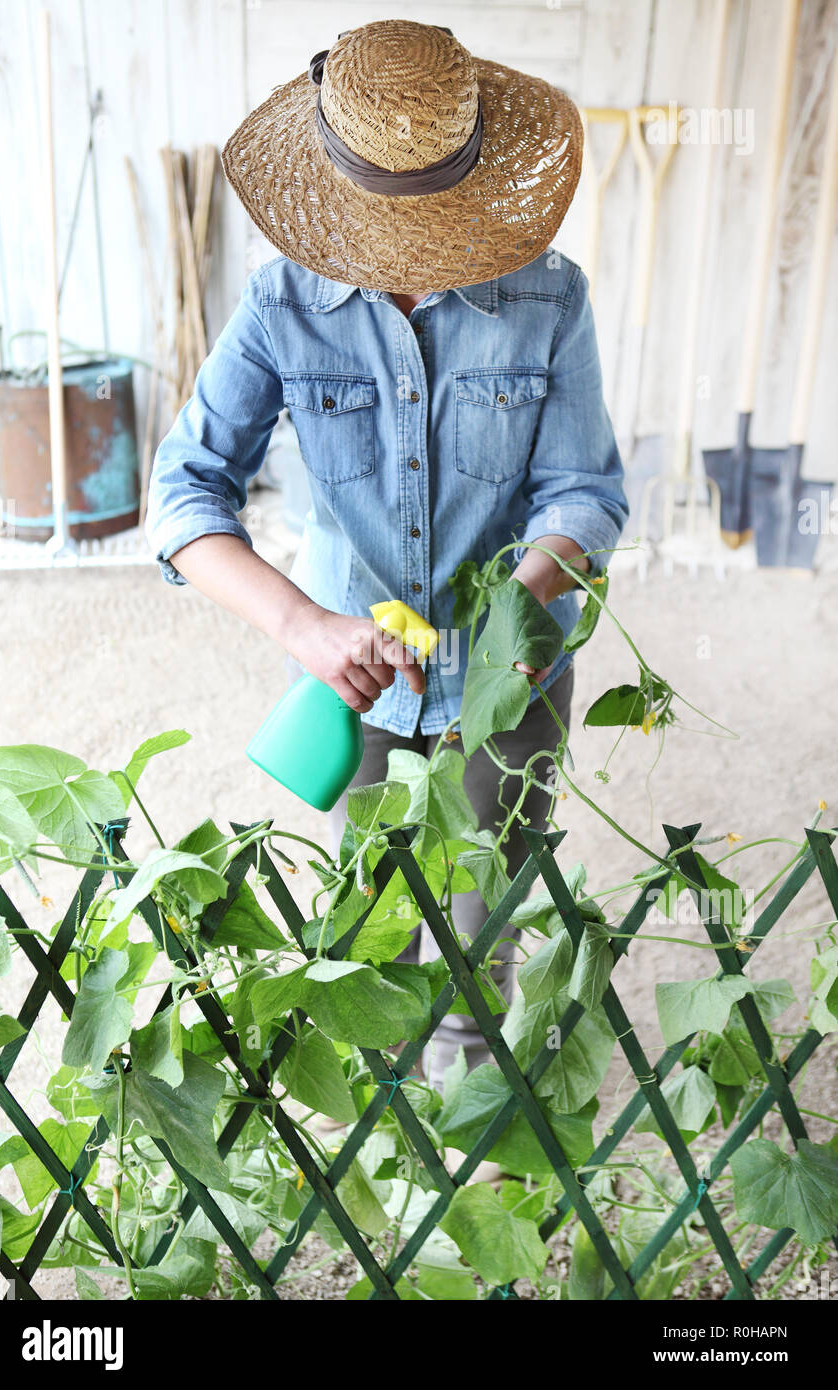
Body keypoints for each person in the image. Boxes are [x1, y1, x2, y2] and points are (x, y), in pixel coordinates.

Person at [145, 19, 628, 1090]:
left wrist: (513, 607)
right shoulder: (282, 302)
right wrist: (302, 625)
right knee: (368, 939)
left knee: (475, 939)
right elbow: (180, 492)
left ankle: (462, 1166)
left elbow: (584, 494)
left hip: (511, 684)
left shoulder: (548, 298)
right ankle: (381, 1151)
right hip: (349, 685)